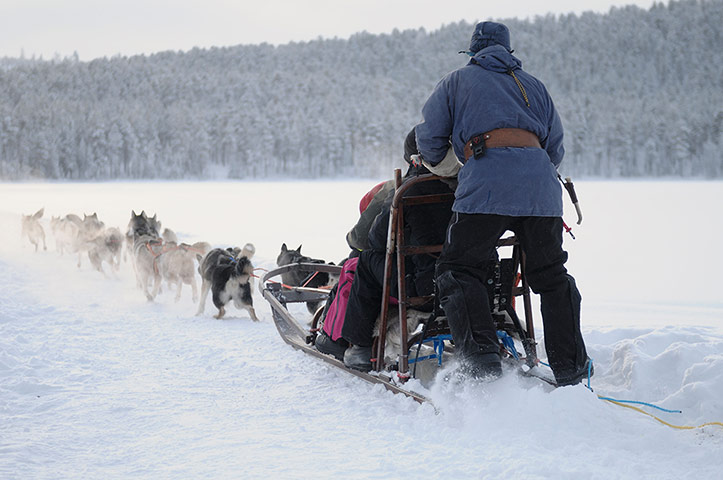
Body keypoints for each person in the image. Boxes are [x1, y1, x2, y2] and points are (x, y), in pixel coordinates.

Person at [414, 21, 591, 385]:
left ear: (473, 53)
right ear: (509, 52)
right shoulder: (535, 86)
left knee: (459, 270)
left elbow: (429, 138)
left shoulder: (457, 81)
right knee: (550, 275)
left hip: (487, 184)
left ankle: (481, 362)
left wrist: (450, 165)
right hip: (541, 189)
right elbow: (555, 148)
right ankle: (571, 366)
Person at [316, 128, 454, 369]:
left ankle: (359, 347)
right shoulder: (467, 184)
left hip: (422, 288)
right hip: (467, 280)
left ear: (414, 159)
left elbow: (375, 238)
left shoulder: (407, 190)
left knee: (368, 260)